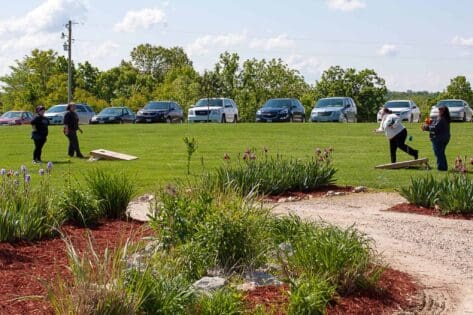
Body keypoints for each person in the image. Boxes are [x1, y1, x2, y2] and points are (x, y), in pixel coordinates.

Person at [422, 104, 451, 171]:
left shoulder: (441, 119)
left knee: (438, 153)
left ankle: (441, 168)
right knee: (441, 153)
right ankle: (444, 168)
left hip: (439, 138)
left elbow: (435, 127)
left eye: (440, 110)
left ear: (444, 111)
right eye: (439, 110)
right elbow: (435, 125)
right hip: (445, 138)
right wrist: (429, 123)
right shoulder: (445, 118)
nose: (439, 111)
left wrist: (426, 127)